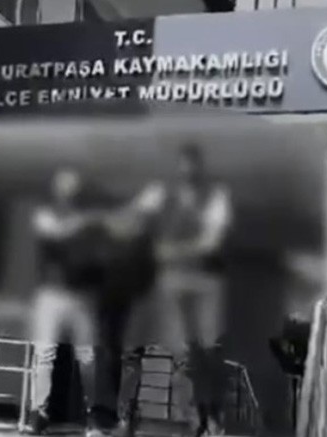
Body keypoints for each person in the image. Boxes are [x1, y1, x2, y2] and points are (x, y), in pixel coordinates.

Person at [118, 142, 234, 437]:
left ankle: (211, 419)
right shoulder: (161, 192)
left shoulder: (215, 196)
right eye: (183, 166)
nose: (187, 172)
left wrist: (169, 250)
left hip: (203, 281)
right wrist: (142, 235)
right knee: (182, 353)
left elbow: (211, 242)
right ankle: (196, 422)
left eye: (191, 166)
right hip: (172, 280)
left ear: (199, 168)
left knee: (208, 352)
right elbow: (129, 217)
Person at [24, 168, 112, 437]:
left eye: (73, 189)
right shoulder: (45, 216)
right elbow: (57, 235)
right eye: (64, 187)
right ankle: (38, 413)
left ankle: (92, 414)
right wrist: (88, 224)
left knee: (87, 356)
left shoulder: (85, 225)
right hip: (51, 295)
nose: (68, 193)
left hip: (79, 296)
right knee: (44, 355)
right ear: (55, 191)